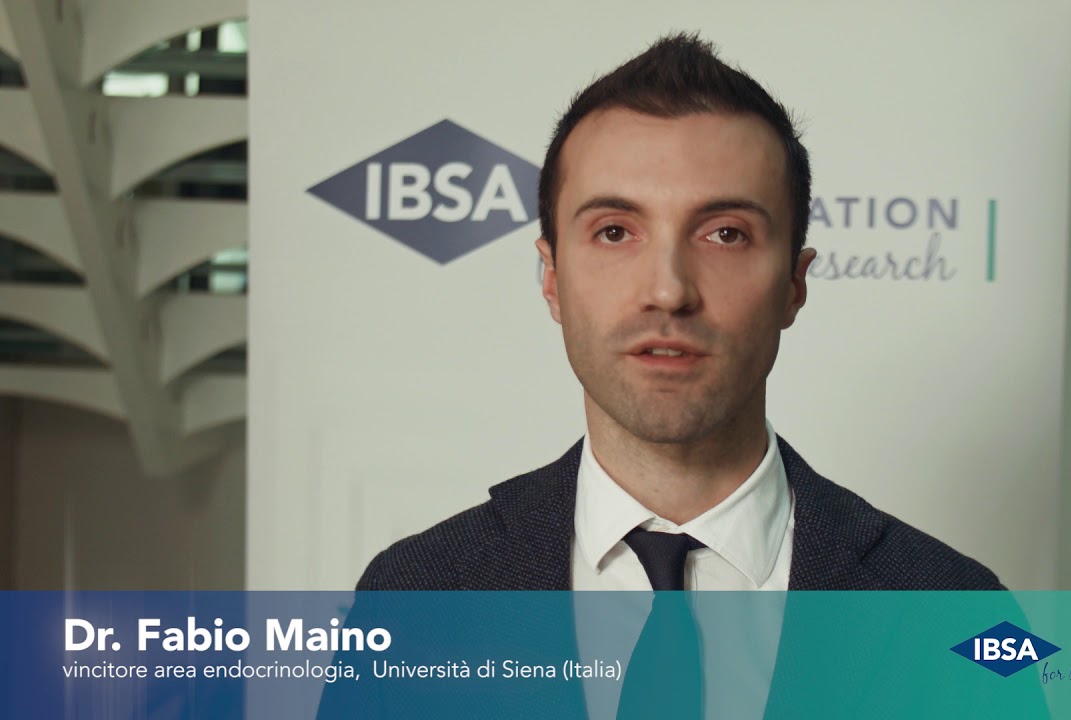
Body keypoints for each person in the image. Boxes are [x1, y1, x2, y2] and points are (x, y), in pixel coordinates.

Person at [329, 32, 1027, 720]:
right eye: (614, 231)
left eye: (725, 233)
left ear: (794, 283)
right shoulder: (413, 601)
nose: (667, 291)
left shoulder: (960, 617)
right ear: (551, 277)